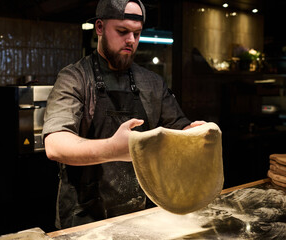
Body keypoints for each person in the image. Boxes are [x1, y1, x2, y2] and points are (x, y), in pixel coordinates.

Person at [42, 0, 205, 229]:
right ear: (99, 27)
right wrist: (113, 148)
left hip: (141, 216)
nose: (131, 40)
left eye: (137, 34)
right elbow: (55, 145)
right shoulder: (74, 78)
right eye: (122, 31)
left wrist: (194, 133)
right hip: (84, 220)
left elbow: (178, 129)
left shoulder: (152, 83)